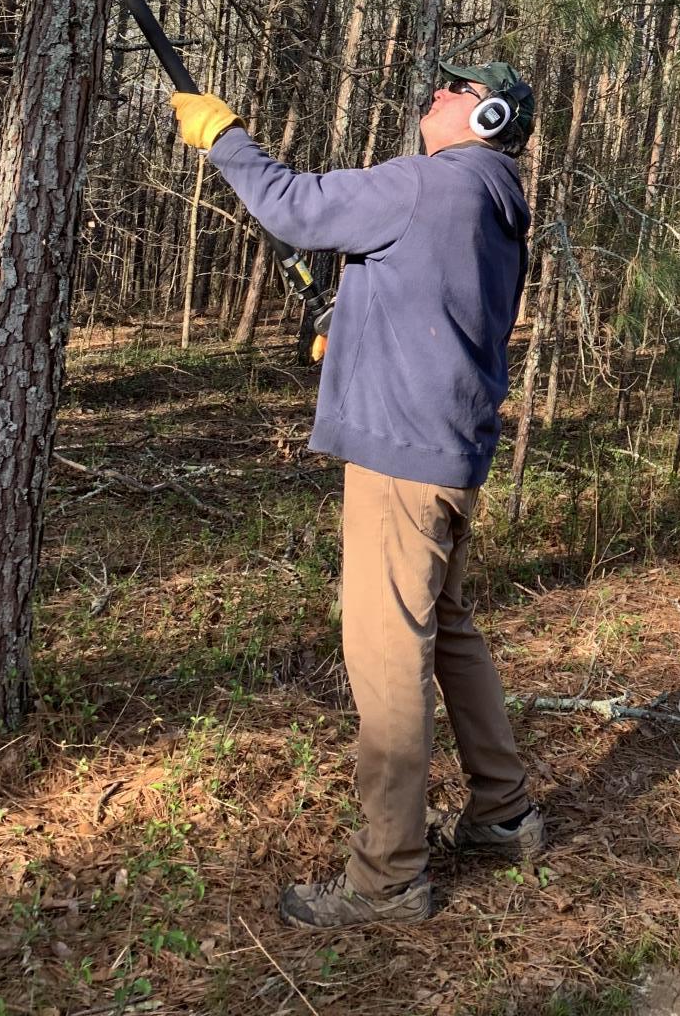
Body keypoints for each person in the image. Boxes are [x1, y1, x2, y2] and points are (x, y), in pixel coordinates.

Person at [170, 59, 541, 929]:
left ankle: (387, 877)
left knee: (387, 657)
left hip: (401, 465)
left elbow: (295, 206)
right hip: (447, 454)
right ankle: (506, 810)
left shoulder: (427, 184)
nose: (432, 96)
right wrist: (354, 328)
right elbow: (440, 312)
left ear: (485, 114)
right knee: (447, 630)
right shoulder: (493, 205)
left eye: (451, 90)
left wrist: (224, 139)